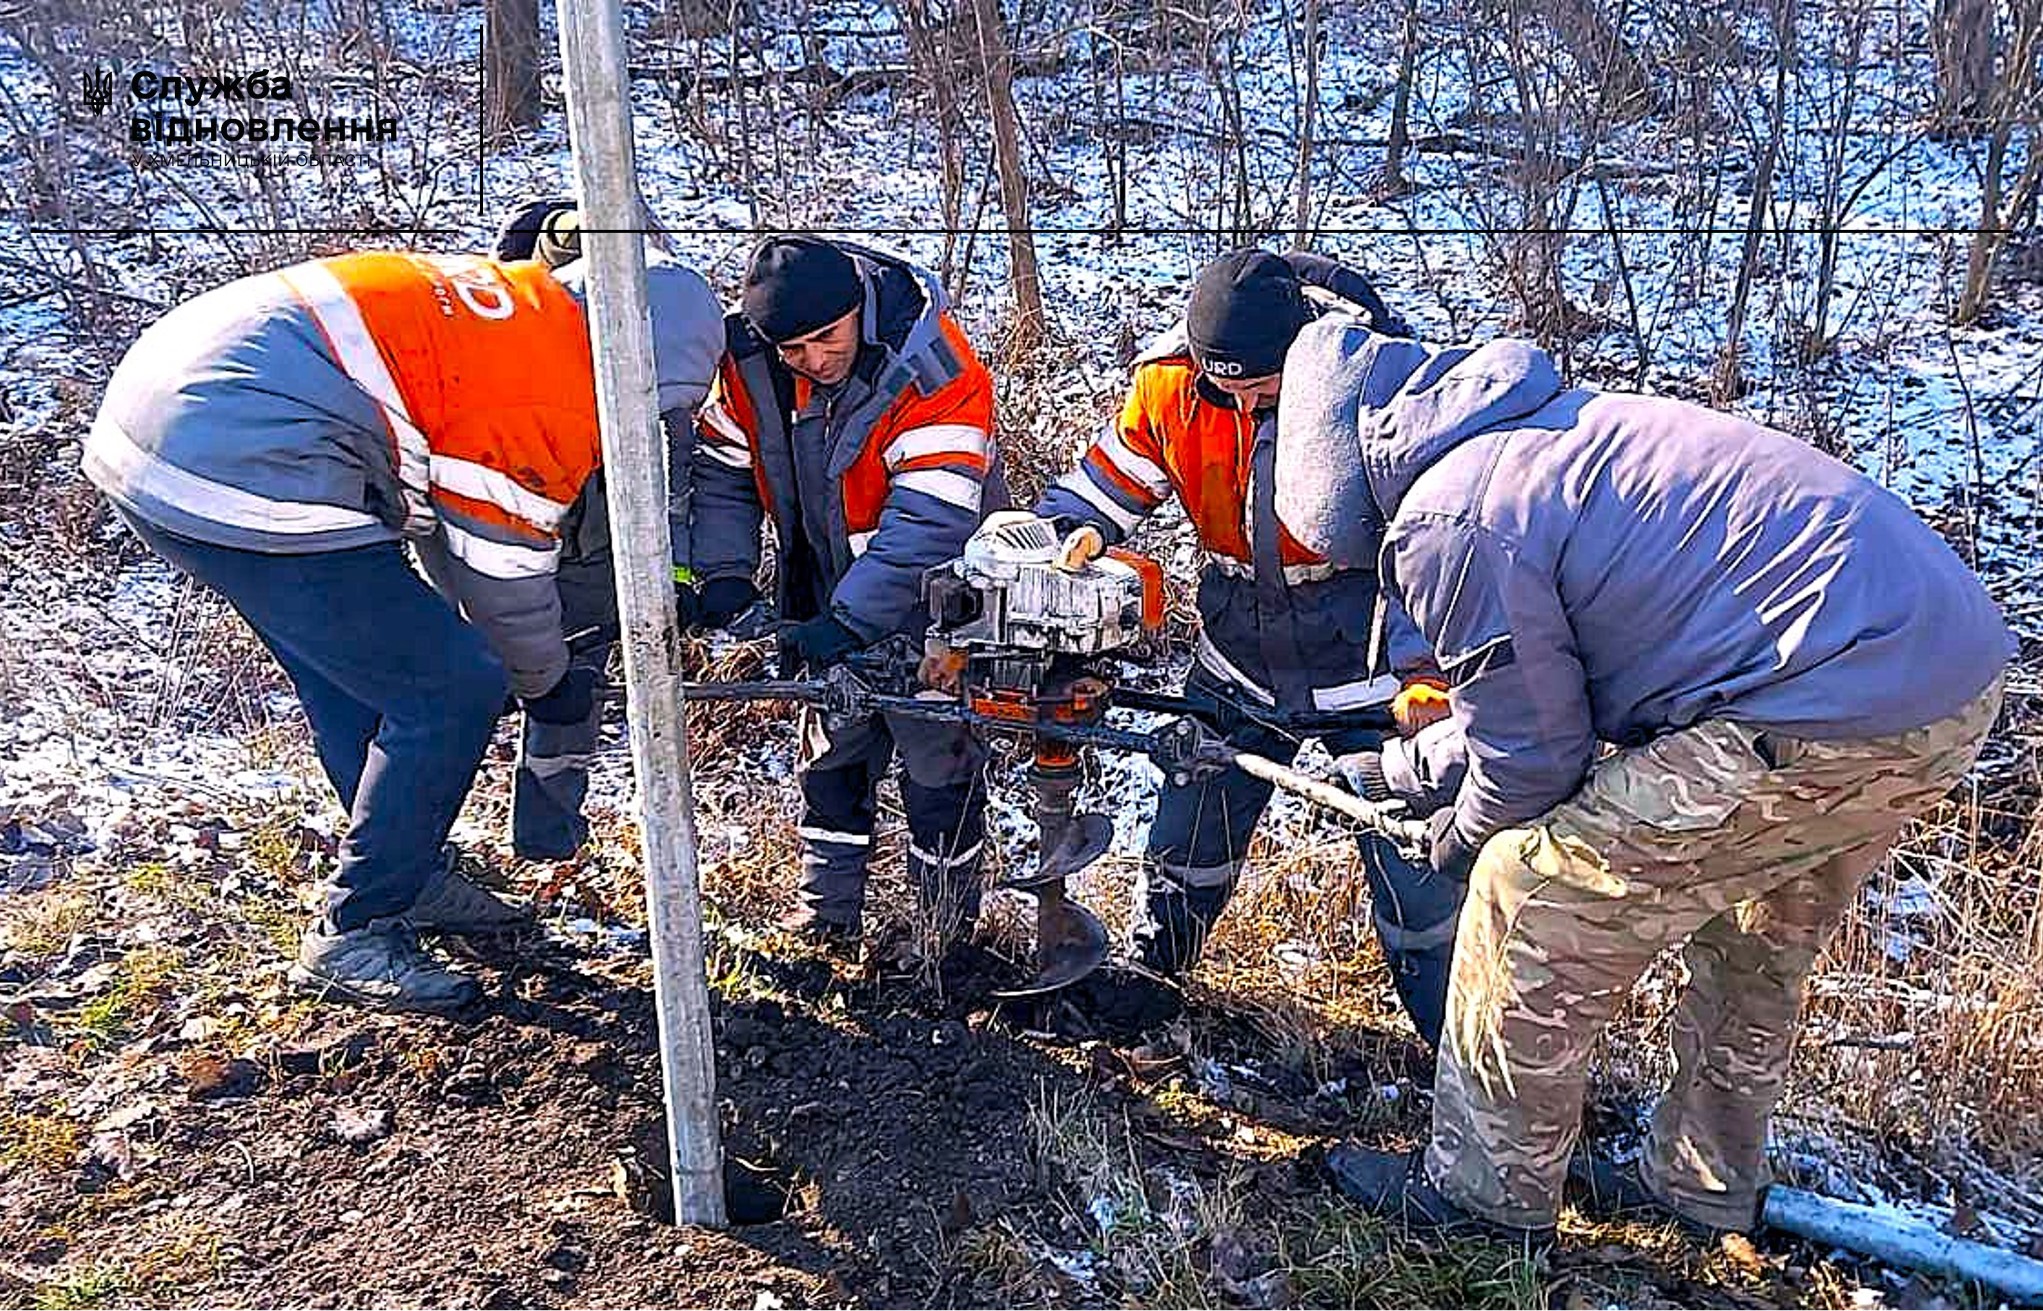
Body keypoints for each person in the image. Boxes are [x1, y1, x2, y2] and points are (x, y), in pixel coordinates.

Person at [1271, 324, 2014, 1238]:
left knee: (1528, 888)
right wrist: (1400, 767)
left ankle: (1484, 1202)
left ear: (1333, 472)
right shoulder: (1544, 437)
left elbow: (1532, 765)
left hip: (1810, 702)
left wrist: (1457, 839)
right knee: (1757, 927)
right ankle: (1700, 1184)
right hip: (1938, 684)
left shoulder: (1447, 518)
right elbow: (1540, 711)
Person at [83, 247, 725, 1011]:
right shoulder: (547, 396)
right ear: (649, 364)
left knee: (360, 678)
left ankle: (405, 868)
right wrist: (548, 685)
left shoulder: (520, 312)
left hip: (170, 428)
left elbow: (451, 531)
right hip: (240, 455)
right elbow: (499, 575)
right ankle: (357, 926)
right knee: (452, 685)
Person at [1035, 248, 1463, 1034]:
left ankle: (1459, 1056)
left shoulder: (1374, 391)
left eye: (1259, 387)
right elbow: (1109, 484)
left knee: (1415, 873)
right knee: (1187, 836)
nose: (1241, 399)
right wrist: (1055, 536)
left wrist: (1425, 670)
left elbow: (1426, 540)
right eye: (1223, 386)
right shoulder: (1168, 387)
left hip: (1369, 673)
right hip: (1236, 650)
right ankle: (1147, 986)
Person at [688, 236, 1004, 949]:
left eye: (826, 338)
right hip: (826, 595)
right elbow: (721, 475)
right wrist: (724, 572)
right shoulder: (747, 366)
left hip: (939, 607)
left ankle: (943, 938)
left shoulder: (933, 367)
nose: (814, 360)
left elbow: (932, 522)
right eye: (792, 350)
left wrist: (850, 620)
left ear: (856, 309)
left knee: (940, 767)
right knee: (830, 754)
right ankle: (825, 918)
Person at [486, 197, 702, 862]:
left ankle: (547, 844)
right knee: (465, 692)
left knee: (568, 702)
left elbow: (681, 476)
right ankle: (421, 843)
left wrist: (680, 576)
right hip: (508, 550)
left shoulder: (663, 334)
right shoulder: (505, 339)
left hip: (599, 561)